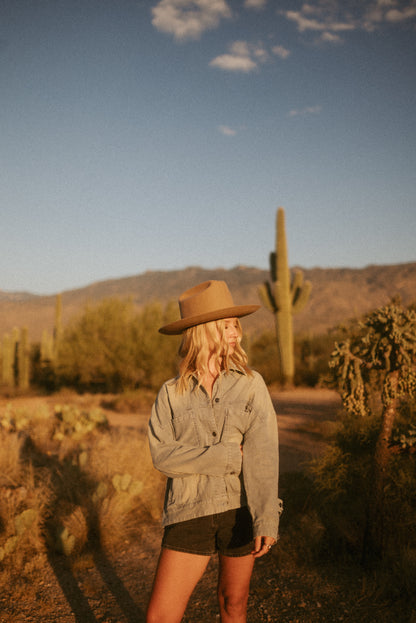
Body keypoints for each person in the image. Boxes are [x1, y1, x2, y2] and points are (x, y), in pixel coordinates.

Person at [146, 280, 282, 623]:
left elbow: (263, 453)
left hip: (240, 510)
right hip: (189, 510)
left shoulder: (251, 384)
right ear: (202, 331)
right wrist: (225, 456)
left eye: (235, 324)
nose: (235, 332)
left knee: (233, 605)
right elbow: (163, 455)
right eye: (225, 325)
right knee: (161, 616)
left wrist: (266, 516)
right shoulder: (171, 394)